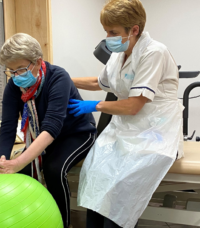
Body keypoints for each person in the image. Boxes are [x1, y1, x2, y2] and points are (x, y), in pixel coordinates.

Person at [68, 0, 184, 228]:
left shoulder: (154, 52)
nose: (108, 37)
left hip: (155, 130)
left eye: (113, 32)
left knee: (121, 183)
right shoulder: (118, 53)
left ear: (134, 30)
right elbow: (98, 82)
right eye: (106, 31)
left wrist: (95, 106)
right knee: (94, 170)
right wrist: (61, 78)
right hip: (124, 128)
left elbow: (133, 106)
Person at [0, 33, 97, 228]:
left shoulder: (58, 77)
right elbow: (7, 126)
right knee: (24, 171)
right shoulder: (13, 86)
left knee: (53, 169)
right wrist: (1, 161)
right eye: (11, 71)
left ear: (37, 62)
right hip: (45, 137)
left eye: (20, 69)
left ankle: (61, 223)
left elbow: (52, 127)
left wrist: (18, 161)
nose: (16, 76)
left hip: (78, 133)